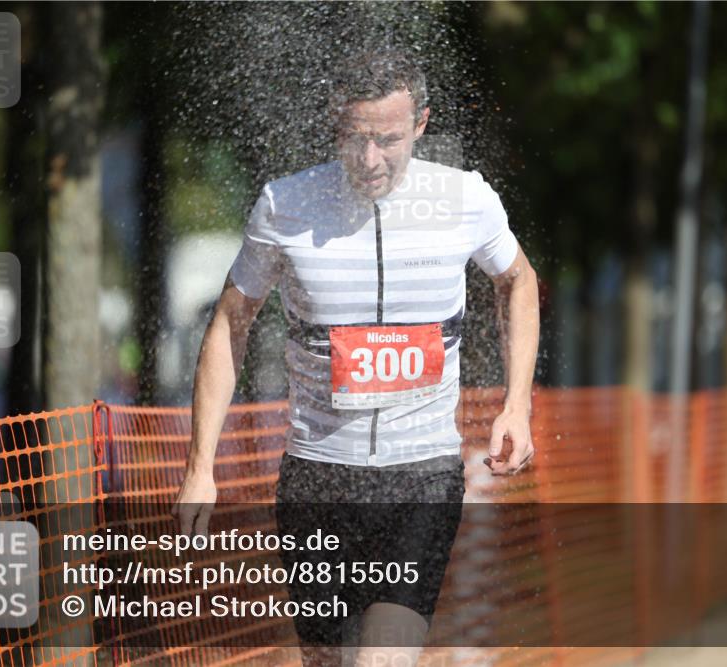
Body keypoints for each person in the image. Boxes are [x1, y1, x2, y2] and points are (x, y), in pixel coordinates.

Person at [173, 50, 540, 667]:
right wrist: (199, 466)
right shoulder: (285, 206)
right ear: (335, 124)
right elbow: (229, 324)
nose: (371, 160)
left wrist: (517, 404)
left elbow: (519, 281)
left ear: (421, 124)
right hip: (318, 476)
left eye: (389, 140)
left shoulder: (464, 198)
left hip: (420, 475)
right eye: (356, 138)